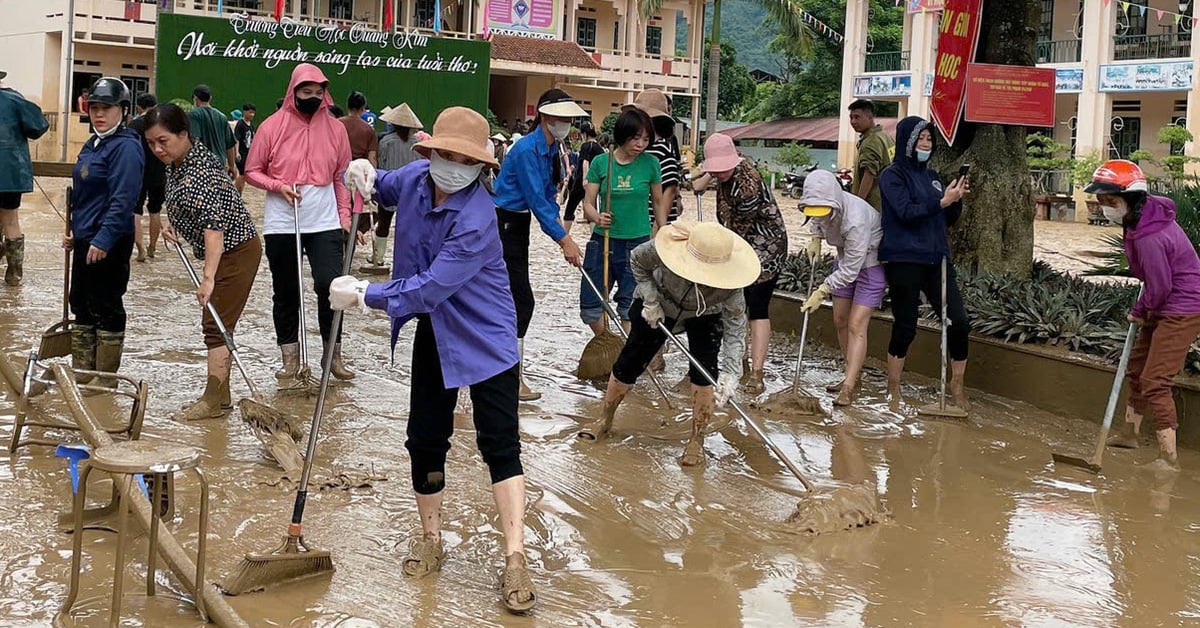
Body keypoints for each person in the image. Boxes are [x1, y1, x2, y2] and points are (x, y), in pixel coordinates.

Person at [333, 107, 537, 613]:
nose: (451, 165)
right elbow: (383, 187)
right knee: (425, 437)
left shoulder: (477, 218)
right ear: (431, 151)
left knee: (499, 443)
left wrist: (366, 294)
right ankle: (431, 538)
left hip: (487, 337)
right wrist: (363, 173)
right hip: (438, 334)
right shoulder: (417, 179)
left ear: (480, 167)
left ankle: (515, 557)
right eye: (444, 154)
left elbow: (429, 290)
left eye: (463, 159)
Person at [577, 222, 757, 467]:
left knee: (705, 373)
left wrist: (731, 374)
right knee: (628, 363)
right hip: (660, 301)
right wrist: (650, 300)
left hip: (705, 314)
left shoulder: (732, 287)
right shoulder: (662, 250)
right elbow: (637, 260)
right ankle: (605, 418)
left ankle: (697, 439)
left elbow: (736, 331)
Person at [142, 103, 262, 420]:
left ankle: (211, 402)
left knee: (215, 323)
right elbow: (186, 204)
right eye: (151, 142)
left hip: (236, 251)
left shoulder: (201, 172)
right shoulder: (179, 162)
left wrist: (208, 279)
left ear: (184, 134)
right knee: (219, 323)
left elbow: (214, 231)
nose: (157, 149)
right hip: (224, 251)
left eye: (163, 141)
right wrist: (174, 223)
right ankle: (222, 399)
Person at [245, 63, 356, 383]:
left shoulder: (336, 129)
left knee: (331, 286)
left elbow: (341, 177)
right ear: (293, 92)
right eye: (305, 92)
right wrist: (277, 186)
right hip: (283, 219)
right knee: (286, 292)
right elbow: (252, 170)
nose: (312, 97)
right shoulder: (272, 126)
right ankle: (290, 360)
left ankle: (332, 353)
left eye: (318, 93)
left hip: (324, 218)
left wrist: (344, 217)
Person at [1091, 160, 1200, 470]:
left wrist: (1139, 311)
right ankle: (1130, 434)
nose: (1105, 207)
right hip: (1163, 301)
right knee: (1137, 369)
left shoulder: (1150, 235)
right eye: (1102, 200)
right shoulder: (1139, 220)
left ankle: (1169, 458)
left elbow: (1162, 285)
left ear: (1131, 198)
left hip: (1182, 307)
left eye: (1110, 201)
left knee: (1155, 380)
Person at [492, 88, 588, 400]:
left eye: (570, 119)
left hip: (518, 226)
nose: (568, 123)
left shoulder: (550, 148)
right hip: (504, 224)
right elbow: (536, 200)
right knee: (521, 302)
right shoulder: (526, 151)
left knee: (512, 302)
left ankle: (505, 372)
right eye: (562, 118)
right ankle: (511, 379)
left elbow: (548, 196)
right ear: (545, 117)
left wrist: (562, 230)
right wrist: (565, 240)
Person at [878, 116, 970, 409]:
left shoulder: (933, 177)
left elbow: (945, 219)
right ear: (907, 141)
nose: (926, 144)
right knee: (906, 325)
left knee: (959, 321)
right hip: (903, 257)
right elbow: (906, 212)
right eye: (921, 139)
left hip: (936, 257)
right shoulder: (892, 175)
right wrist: (941, 201)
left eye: (930, 140)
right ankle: (893, 387)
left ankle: (956, 386)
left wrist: (955, 200)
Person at [690, 133, 788, 394]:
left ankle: (756, 372)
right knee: (735, 304)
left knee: (756, 307)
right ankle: (738, 361)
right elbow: (699, 185)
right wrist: (707, 176)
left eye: (723, 169)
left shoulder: (747, 186)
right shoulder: (725, 171)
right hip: (738, 242)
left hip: (764, 248)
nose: (719, 173)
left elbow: (736, 234)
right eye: (715, 168)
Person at [67, 77, 143, 388]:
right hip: (86, 237)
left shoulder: (125, 147)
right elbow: (85, 194)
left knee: (106, 305)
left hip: (110, 240)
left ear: (123, 111)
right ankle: (83, 374)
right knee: (81, 303)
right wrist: (77, 232)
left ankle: (106, 380)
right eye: (94, 108)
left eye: (106, 108)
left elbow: (123, 199)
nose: (99, 114)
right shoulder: (93, 143)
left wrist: (103, 238)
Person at [798, 169, 884, 406]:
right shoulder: (821, 207)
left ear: (835, 201)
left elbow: (850, 271)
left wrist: (822, 290)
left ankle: (848, 385)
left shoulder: (855, 220)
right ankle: (850, 373)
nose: (821, 215)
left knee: (856, 324)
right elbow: (817, 217)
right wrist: (815, 237)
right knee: (840, 320)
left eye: (826, 210)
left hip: (868, 264)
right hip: (845, 260)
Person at [580, 109, 667, 336]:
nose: (641, 144)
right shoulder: (601, 162)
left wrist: (663, 234)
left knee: (630, 308)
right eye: (635, 138)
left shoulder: (651, 163)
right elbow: (587, 203)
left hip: (636, 245)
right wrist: (597, 217)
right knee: (590, 304)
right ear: (623, 135)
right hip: (603, 241)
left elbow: (658, 202)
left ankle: (624, 360)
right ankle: (606, 341)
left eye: (646, 139)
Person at [0, 67, 50, 286]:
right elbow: (38, 126)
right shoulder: (14, 99)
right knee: (11, 220)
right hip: (11, 172)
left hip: (11, 172)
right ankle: (14, 274)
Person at [362, 103, 423, 274]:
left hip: (389, 188)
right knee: (409, 228)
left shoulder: (386, 141)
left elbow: (380, 164)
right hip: (411, 190)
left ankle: (378, 258)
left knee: (384, 224)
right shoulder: (418, 144)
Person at [627, 89, 682, 224]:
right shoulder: (642, 150)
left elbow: (668, 195)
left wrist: (654, 237)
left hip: (653, 229)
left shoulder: (662, 151)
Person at [128, 93, 165, 262]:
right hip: (159, 172)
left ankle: (140, 249)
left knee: (136, 210)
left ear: (139, 108)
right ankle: (153, 246)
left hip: (138, 174)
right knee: (155, 210)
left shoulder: (133, 125)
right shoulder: (162, 124)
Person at [848, 99, 895, 212]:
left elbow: (869, 174)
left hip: (873, 205)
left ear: (870, 117)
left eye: (857, 117)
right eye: (851, 117)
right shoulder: (885, 136)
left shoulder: (871, 141)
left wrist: (858, 204)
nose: (853, 121)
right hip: (889, 200)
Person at [188, 85, 237, 179]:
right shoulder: (222, 117)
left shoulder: (194, 115)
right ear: (210, 98)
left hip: (202, 165)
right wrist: (232, 166)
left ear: (195, 98)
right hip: (220, 165)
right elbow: (229, 145)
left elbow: (194, 141)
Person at [563, 121, 601, 233]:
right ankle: (594, 237)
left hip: (581, 182)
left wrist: (585, 179)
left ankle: (565, 235)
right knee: (592, 211)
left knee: (570, 208)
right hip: (596, 183)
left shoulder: (586, 146)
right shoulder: (599, 148)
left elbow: (585, 162)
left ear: (584, 133)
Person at [339, 91, 378, 166]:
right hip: (359, 169)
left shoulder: (337, 124)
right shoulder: (369, 130)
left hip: (340, 167)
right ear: (363, 108)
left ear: (347, 106)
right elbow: (372, 157)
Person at [233, 102, 256, 194]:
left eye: (253, 113)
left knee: (244, 175)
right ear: (245, 112)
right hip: (241, 153)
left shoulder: (251, 125)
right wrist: (237, 152)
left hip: (248, 153)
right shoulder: (240, 124)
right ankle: (235, 193)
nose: (252, 115)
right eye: (250, 112)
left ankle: (239, 194)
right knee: (242, 174)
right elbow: (237, 139)